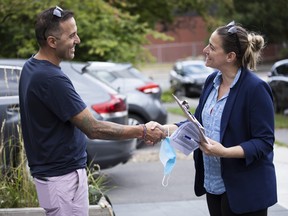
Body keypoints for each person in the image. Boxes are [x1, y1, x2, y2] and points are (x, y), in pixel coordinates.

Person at [18, 6, 165, 216]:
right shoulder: (51, 79)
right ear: (52, 41)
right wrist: (142, 131)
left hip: (56, 177)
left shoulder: (31, 66)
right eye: (72, 35)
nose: (77, 40)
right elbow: (94, 128)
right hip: (62, 179)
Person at [158, 21, 277, 216]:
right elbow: (196, 125)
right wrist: (164, 130)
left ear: (230, 56)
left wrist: (225, 152)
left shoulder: (255, 89)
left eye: (212, 47)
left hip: (244, 191)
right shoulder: (211, 82)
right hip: (213, 185)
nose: (205, 50)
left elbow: (264, 142)